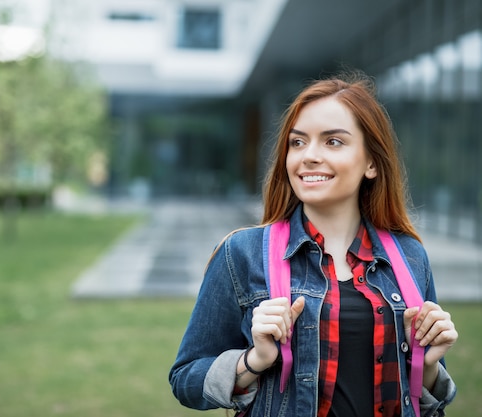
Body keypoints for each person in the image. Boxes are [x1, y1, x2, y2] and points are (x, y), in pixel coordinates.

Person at [168, 72, 458, 417]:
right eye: (298, 142)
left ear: (372, 163)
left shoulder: (410, 257)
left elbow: (421, 399)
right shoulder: (241, 254)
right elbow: (185, 379)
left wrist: (427, 366)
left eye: (333, 142)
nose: (309, 156)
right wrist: (253, 361)